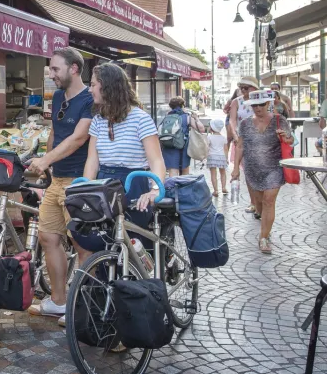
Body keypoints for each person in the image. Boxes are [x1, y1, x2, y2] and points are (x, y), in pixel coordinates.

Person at [25, 48, 93, 323]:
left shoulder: (90, 99)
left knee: (82, 244)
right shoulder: (58, 97)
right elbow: (55, 131)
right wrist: (47, 163)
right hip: (58, 178)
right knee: (48, 237)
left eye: (55, 69)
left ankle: (85, 305)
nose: (51, 74)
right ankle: (58, 300)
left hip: (79, 180)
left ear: (74, 68)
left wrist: (47, 159)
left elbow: (79, 138)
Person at [75, 63, 166, 267]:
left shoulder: (140, 119)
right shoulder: (98, 120)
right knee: (97, 236)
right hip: (105, 184)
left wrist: (153, 190)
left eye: (93, 84)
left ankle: (139, 283)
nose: (89, 89)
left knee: (130, 240)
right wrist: (85, 188)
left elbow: (157, 160)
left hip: (134, 183)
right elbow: (92, 159)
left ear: (108, 87)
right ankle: (104, 289)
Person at [232, 89, 294, 254]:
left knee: (269, 201)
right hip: (253, 169)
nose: (258, 108)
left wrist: (285, 138)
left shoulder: (280, 121)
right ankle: (264, 224)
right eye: (254, 105)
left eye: (261, 104)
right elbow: (240, 146)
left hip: (274, 168)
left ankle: (263, 237)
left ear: (269, 104)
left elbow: (291, 140)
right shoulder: (245, 123)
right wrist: (235, 169)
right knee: (259, 205)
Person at [229, 76, 260, 213]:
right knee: (248, 172)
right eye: (241, 88)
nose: (243, 91)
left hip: (260, 141)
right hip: (243, 140)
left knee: (260, 172)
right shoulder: (237, 102)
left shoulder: (261, 100)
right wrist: (235, 135)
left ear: (254, 88)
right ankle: (253, 202)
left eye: (246, 88)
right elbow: (232, 120)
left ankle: (261, 202)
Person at [159, 96, 205, 177]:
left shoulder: (167, 117)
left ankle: (173, 188)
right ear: (183, 105)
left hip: (168, 147)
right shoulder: (186, 117)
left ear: (171, 106)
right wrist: (196, 118)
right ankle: (182, 189)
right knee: (184, 174)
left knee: (172, 173)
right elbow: (201, 130)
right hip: (183, 149)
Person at [206, 119, 228, 197]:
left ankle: (215, 191)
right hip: (221, 157)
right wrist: (226, 159)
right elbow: (225, 149)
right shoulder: (223, 138)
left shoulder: (209, 137)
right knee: (223, 173)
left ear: (212, 128)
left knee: (213, 174)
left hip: (212, 156)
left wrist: (205, 156)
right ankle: (224, 187)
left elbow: (207, 148)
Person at [223, 88, 240, 157]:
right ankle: (226, 157)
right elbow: (224, 109)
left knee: (238, 140)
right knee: (229, 138)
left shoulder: (243, 100)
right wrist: (229, 112)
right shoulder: (232, 100)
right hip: (230, 119)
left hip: (238, 120)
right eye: (240, 91)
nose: (241, 92)